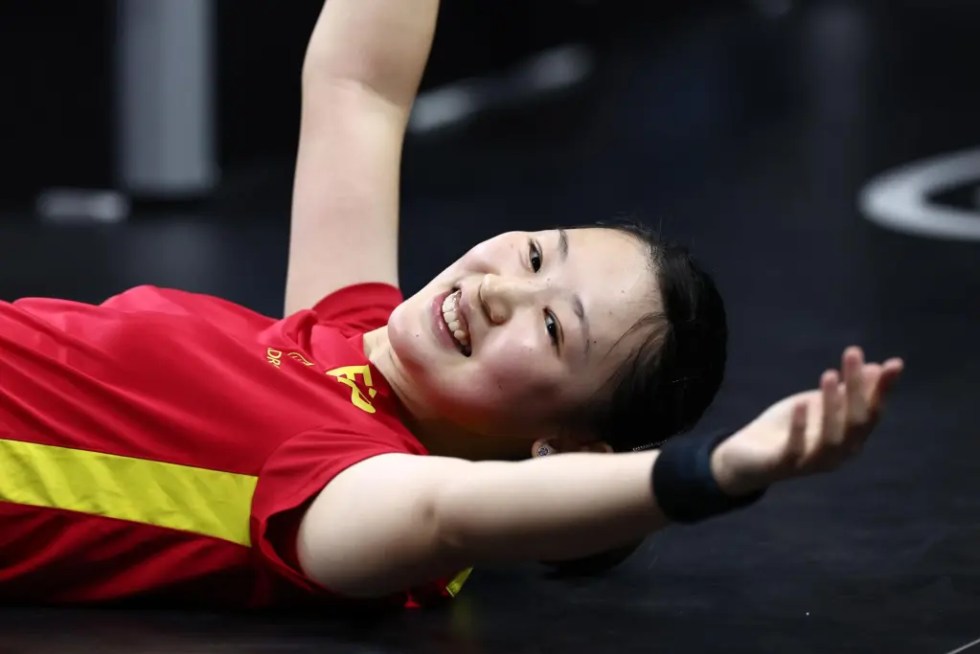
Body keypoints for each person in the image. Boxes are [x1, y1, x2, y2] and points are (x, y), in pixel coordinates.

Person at [0, 0, 903, 609]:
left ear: (562, 451)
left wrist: (717, 473)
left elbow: (446, 515)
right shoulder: (350, 338)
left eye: (553, 327)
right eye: (538, 253)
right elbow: (360, 86)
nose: (501, 287)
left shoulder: (351, 489)